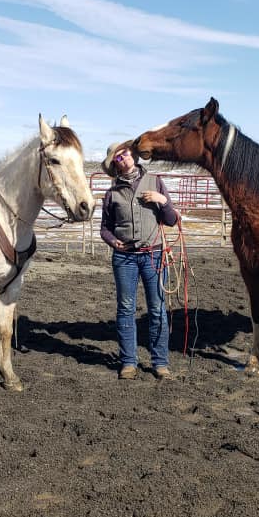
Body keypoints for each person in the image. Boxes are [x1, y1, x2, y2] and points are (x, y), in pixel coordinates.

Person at [100, 141, 179, 380]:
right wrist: (112, 241)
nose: (122, 158)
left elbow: (171, 220)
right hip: (125, 258)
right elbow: (105, 228)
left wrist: (162, 200)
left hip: (154, 255)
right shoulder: (112, 193)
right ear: (115, 165)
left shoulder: (155, 182)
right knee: (126, 308)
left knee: (157, 309)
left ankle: (160, 363)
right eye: (117, 158)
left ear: (133, 155)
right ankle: (128, 363)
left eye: (124, 153)